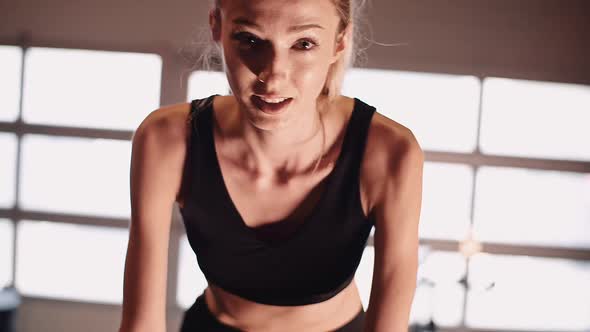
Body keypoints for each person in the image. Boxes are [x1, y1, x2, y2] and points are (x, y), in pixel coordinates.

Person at [119, 0, 424, 331]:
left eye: (303, 44)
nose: (273, 75)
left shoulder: (390, 153)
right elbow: (141, 325)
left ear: (339, 42)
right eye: (249, 39)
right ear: (216, 27)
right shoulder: (167, 139)